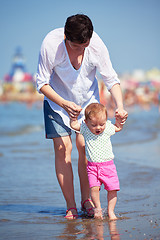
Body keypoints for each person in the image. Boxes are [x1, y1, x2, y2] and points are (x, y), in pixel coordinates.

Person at [36, 14, 128, 219]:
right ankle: (71, 206)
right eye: (77, 46)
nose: (81, 52)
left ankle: (86, 200)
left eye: (85, 46)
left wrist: (120, 106)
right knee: (63, 149)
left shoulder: (96, 45)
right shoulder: (51, 44)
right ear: (66, 38)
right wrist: (64, 103)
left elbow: (111, 79)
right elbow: (41, 83)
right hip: (57, 102)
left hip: (88, 105)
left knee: (85, 148)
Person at [70, 103, 123, 220]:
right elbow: (74, 125)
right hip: (92, 167)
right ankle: (98, 209)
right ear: (86, 122)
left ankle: (110, 211)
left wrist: (119, 120)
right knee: (94, 189)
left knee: (112, 189)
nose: (98, 127)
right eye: (94, 125)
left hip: (108, 166)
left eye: (101, 124)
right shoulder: (85, 129)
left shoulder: (108, 127)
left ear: (106, 121)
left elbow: (118, 128)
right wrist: (73, 118)